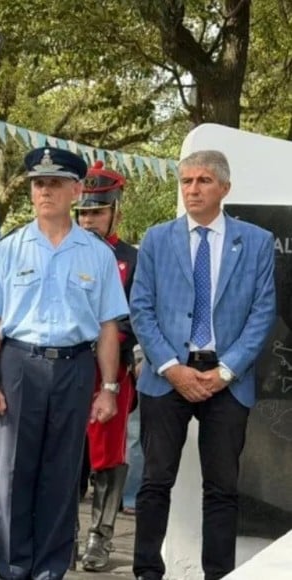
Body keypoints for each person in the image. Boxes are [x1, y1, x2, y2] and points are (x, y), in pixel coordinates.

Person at [0, 147, 129, 580]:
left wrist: (109, 389)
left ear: (76, 191)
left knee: (61, 476)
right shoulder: (10, 249)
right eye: (38, 184)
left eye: (55, 183)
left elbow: (107, 328)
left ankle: (49, 571)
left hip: (74, 367)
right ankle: (13, 568)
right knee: (13, 474)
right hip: (20, 365)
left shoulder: (97, 255)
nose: (45, 191)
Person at [130, 150, 276, 580]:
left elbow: (262, 313)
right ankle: (146, 572)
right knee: (155, 482)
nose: (192, 189)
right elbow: (141, 309)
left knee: (222, 489)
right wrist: (171, 368)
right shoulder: (157, 239)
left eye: (203, 181)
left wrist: (226, 371)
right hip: (166, 378)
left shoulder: (256, 242)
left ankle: (218, 574)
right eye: (187, 181)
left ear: (224, 188)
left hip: (227, 380)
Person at [73, 161, 139, 572]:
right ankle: (64, 532)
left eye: (97, 211)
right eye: (84, 212)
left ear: (115, 211)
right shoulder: (63, 251)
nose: (88, 220)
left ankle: (100, 536)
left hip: (110, 373)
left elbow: (136, 316)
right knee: (65, 452)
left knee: (107, 455)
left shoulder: (132, 258)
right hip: (66, 368)